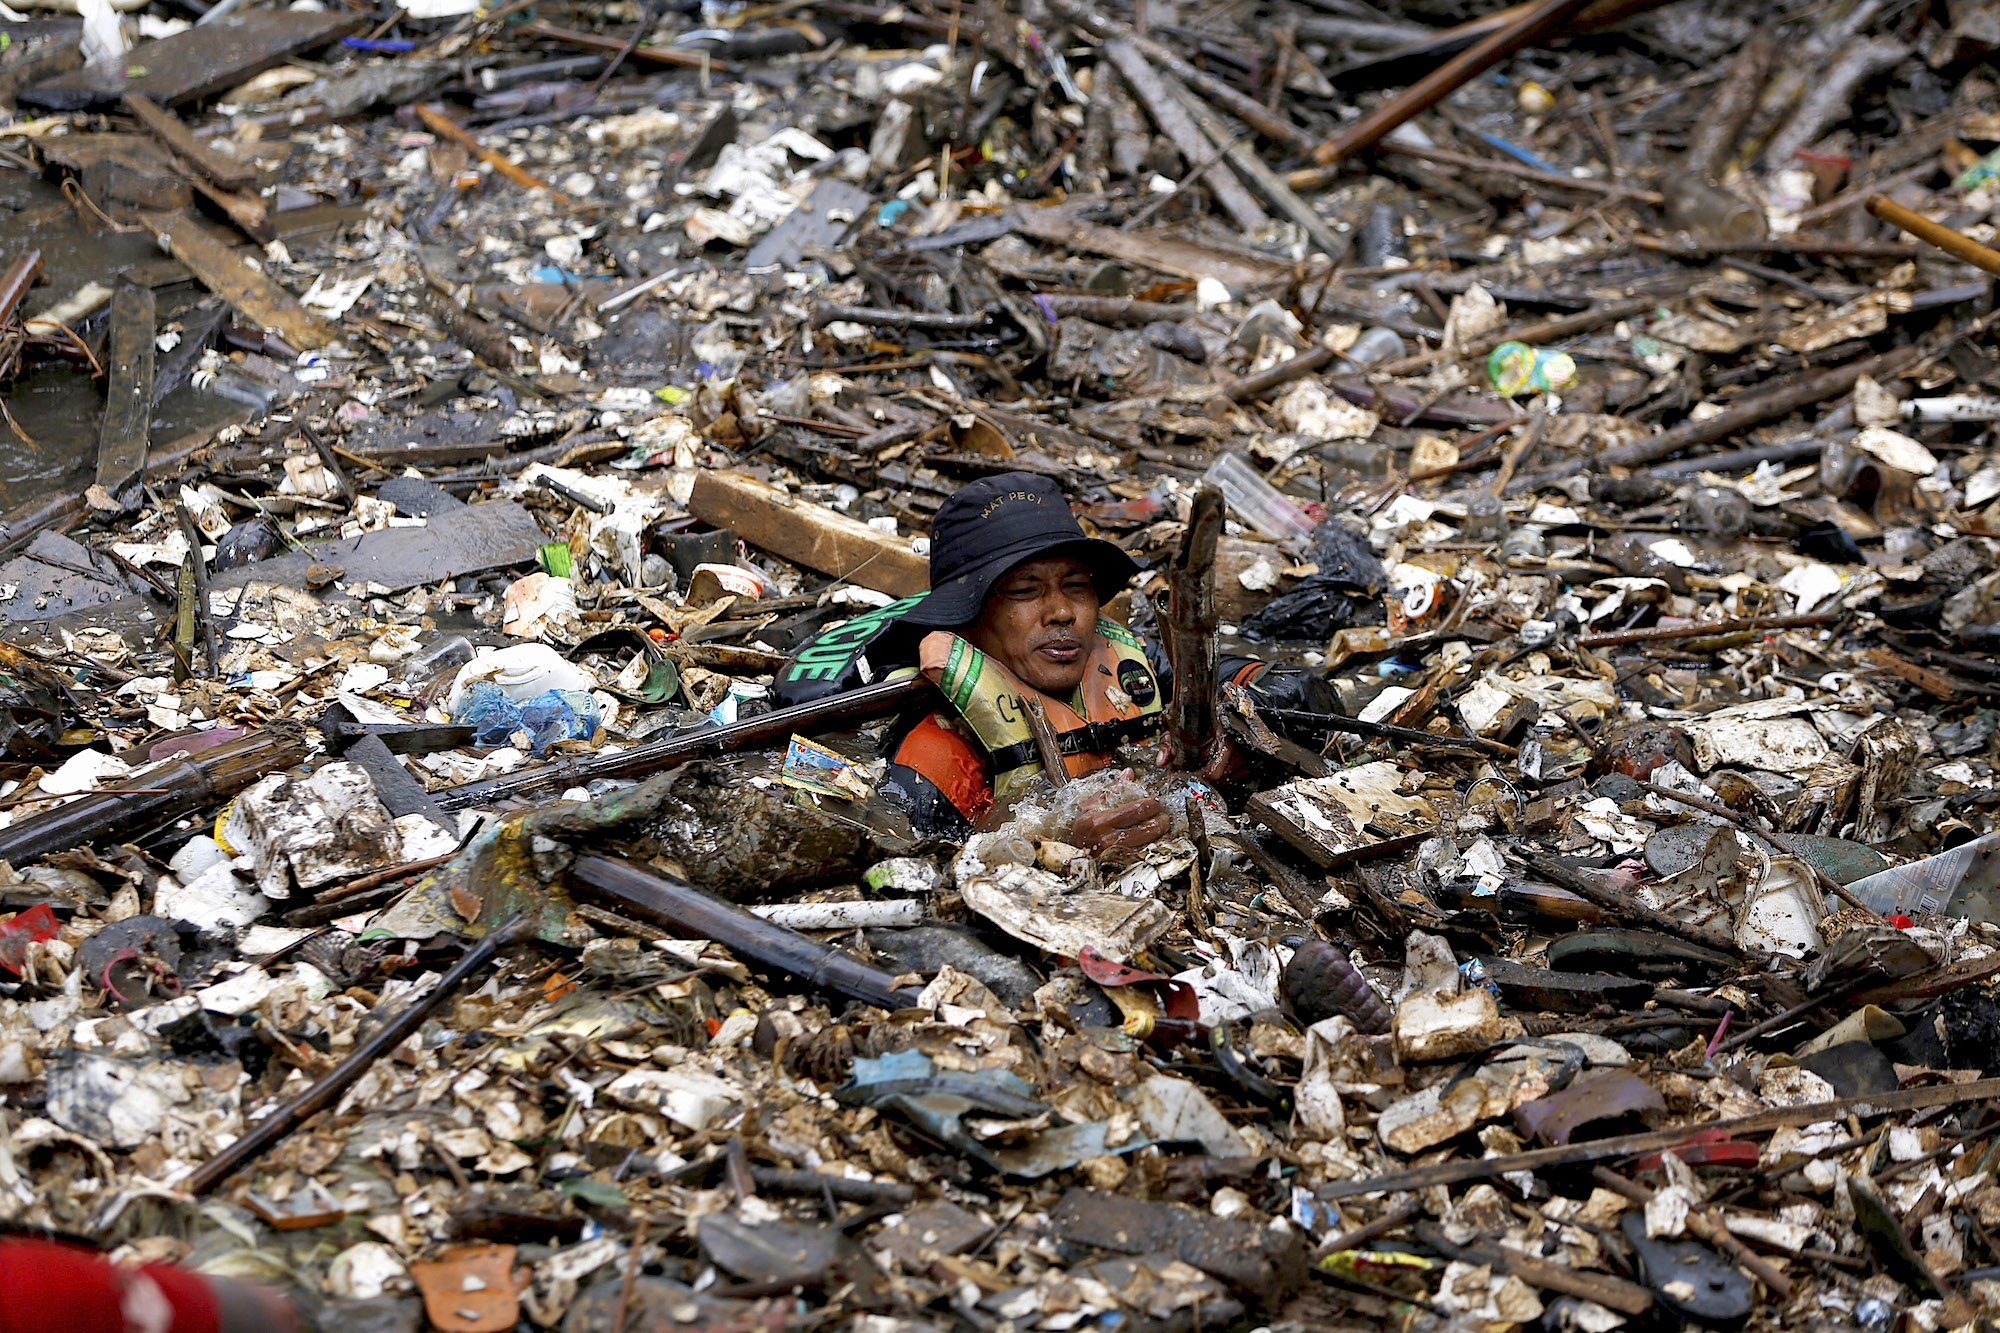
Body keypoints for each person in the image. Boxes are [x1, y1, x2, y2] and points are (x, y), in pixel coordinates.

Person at [774, 472, 1262, 845]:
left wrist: (1241, 736)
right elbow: (903, 857)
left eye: (1076, 586)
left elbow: (1276, 684)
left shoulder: (1126, 663)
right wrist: (1054, 841)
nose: (1062, 612)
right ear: (967, 619)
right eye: (1025, 591)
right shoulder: (933, 750)